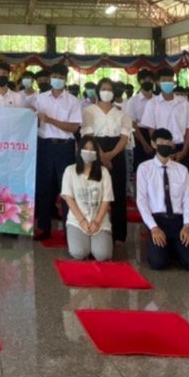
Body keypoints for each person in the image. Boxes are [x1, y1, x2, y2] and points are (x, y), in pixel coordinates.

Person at [135, 127, 189, 272]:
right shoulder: (144, 168)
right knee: (157, 263)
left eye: (168, 143)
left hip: (178, 221)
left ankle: (174, 247)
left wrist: (187, 225)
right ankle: (167, 248)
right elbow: (141, 201)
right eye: (161, 142)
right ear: (153, 144)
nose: (165, 145)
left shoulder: (182, 170)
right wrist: (153, 228)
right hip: (158, 220)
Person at [33, 64, 81, 240]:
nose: (57, 80)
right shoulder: (39, 98)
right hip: (44, 146)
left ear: (66, 79)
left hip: (64, 147)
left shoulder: (73, 101)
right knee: (44, 187)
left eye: (61, 77)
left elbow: (74, 127)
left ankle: (70, 231)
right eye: (55, 76)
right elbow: (32, 120)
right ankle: (43, 228)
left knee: (66, 188)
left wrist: (50, 120)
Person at [82, 78, 132, 245]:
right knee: (93, 190)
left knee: (117, 192)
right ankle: (91, 228)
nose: (106, 92)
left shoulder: (122, 113)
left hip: (116, 152)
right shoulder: (89, 111)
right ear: (98, 91)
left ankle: (119, 234)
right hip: (95, 150)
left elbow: (124, 137)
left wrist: (111, 155)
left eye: (110, 89)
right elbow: (89, 135)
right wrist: (102, 156)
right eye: (103, 88)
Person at [60, 135, 114, 262]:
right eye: (85, 148)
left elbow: (106, 200)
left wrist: (97, 221)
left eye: (92, 149)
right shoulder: (70, 171)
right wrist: (82, 221)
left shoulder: (104, 172)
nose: (88, 152)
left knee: (102, 255)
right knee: (79, 253)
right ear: (79, 150)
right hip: (77, 221)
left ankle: (96, 243)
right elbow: (69, 199)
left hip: (99, 220)